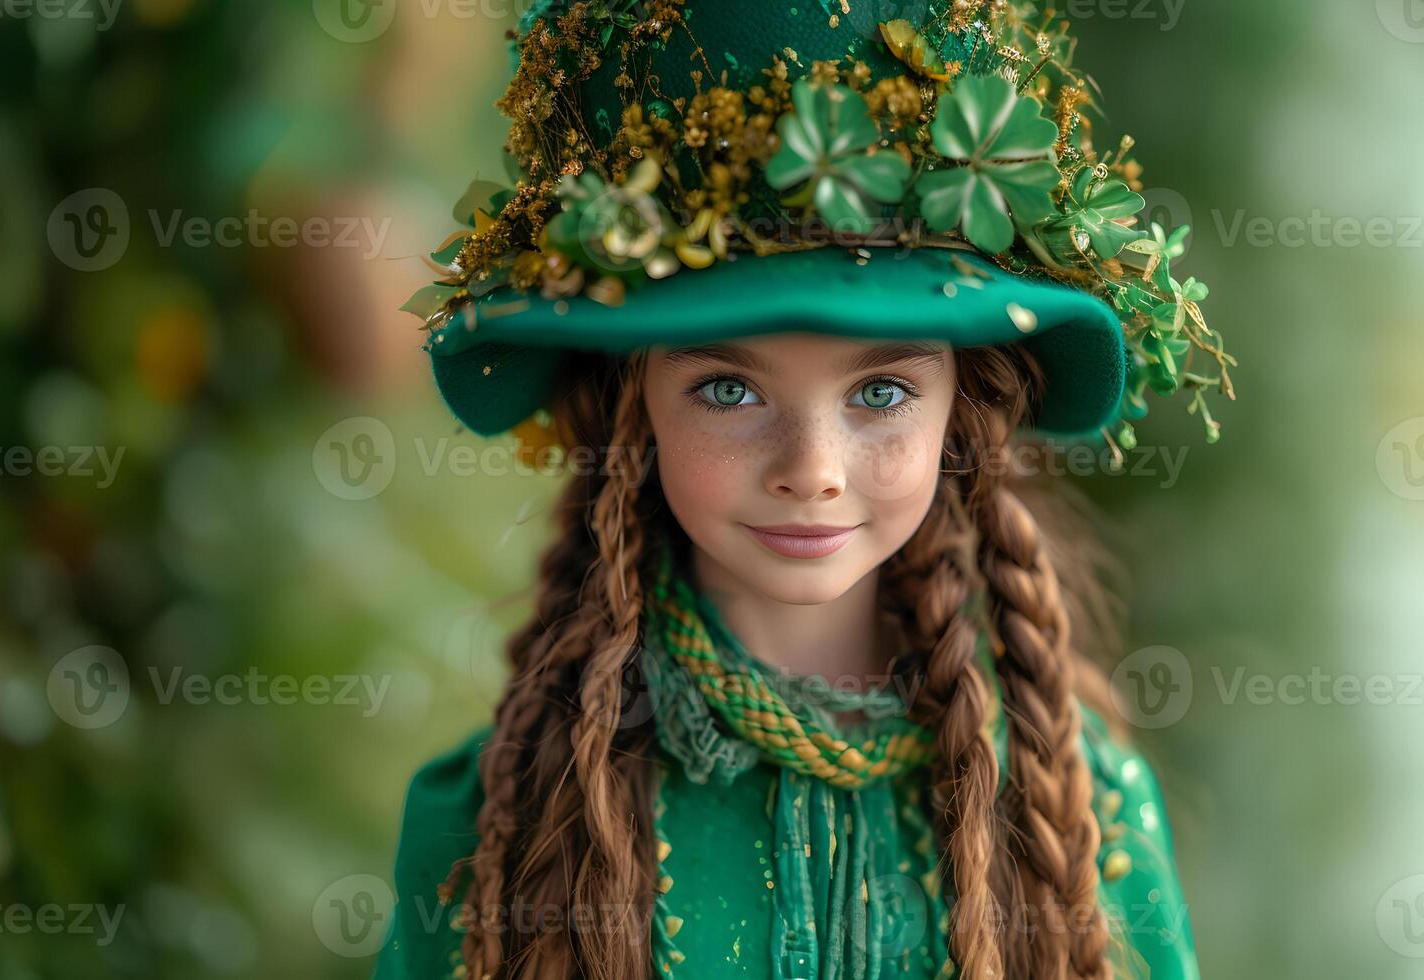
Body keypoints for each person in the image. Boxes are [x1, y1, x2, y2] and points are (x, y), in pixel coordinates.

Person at [382, 2, 1224, 977]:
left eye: (881, 391)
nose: (812, 467)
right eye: (728, 389)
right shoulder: (498, 821)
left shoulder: (1076, 809)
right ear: (632, 401)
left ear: (963, 407)